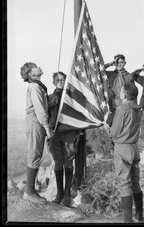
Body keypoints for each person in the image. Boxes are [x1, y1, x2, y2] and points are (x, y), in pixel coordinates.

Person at [108, 82, 143, 223]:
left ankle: (127, 220)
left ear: (124, 94)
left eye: (121, 91)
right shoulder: (137, 109)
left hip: (122, 148)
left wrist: (107, 127)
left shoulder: (122, 109)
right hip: (134, 147)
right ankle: (139, 215)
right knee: (135, 182)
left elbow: (114, 132)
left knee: (125, 184)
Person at [20, 62, 54, 204]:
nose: (38, 66)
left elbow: (41, 104)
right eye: (34, 66)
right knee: (34, 155)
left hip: (36, 121)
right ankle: (30, 193)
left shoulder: (37, 86)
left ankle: (31, 191)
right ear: (30, 74)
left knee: (36, 155)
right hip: (35, 122)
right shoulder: (34, 86)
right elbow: (39, 109)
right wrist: (47, 128)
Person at [48, 71, 79, 206]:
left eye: (63, 80)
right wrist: (50, 104)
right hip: (54, 133)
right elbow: (43, 114)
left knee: (68, 161)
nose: (60, 82)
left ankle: (67, 194)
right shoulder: (49, 97)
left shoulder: (71, 99)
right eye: (58, 80)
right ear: (54, 82)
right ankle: (59, 194)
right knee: (58, 161)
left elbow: (79, 116)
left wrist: (78, 133)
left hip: (69, 132)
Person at [104, 54, 134, 126]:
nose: (119, 64)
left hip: (123, 105)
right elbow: (99, 69)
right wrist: (111, 63)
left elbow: (132, 93)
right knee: (111, 126)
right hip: (111, 105)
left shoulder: (129, 76)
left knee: (122, 125)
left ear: (125, 63)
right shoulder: (109, 74)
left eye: (121, 62)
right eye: (117, 62)